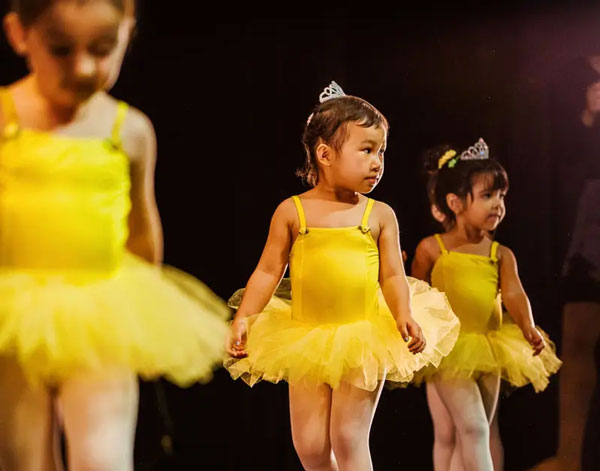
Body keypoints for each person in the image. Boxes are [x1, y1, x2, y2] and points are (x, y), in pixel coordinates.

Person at [0, 1, 230, 469]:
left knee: (103, 457)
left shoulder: (130, 130)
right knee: (23, 459)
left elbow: (142, 231)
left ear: (127, 32)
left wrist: (147, 321)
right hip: (12, 313)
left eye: (102, 49)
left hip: (100, 312)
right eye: (61, 50)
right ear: (20, 34)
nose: (83, 68)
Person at [224, 81, 460, 471]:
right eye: (366, 150)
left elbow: (392, 275)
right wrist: (244, 318)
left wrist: (403, 313)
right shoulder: (292, 212)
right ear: (325, 154)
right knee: (311, 447)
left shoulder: (379, 214)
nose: (377, 162)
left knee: (348, 438)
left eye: (381, 151)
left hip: (363, 335)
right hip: (305, 337)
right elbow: (268, 271)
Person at [412, 140, 561, 471]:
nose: (498, 204)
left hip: (489, 348)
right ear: (455, 203)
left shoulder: (500, 254)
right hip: (448, 351)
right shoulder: (432, 249)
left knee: (475, 430)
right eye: (487, 195)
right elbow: (416, 291)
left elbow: (514, 294)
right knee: (470, 429)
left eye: (501, 196)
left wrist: (528, 326)